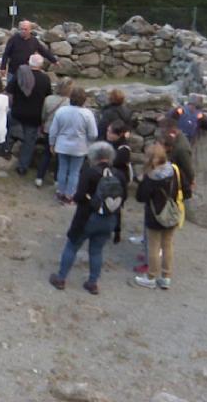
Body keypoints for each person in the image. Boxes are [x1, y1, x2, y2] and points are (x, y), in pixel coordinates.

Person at [49, 141, 126, 295]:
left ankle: (61, 278)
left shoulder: (90, 172)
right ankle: (92, 283)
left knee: (72, 246)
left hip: (87, 217)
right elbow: (124, 198)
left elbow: (78, 196)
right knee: (96, 251)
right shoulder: (119, 174)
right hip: (109, 219)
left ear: (93, 156)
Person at [133, 144, 183, 290]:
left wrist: (142, 180)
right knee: (167, 245)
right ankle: (166, 277)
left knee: (153, 247)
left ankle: (151, 277)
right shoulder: (173, 170)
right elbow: (183, 189)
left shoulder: (151, 177)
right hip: (171, 212)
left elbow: (140, 197)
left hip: (155, 215)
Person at [49, 87, 98, 205]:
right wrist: (88, 141)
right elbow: (93, 134)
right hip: (79, 147)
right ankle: (69, 195)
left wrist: (52, 143)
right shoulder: (87, 114)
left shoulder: (61, 111)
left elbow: (53, 130)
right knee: (74, 172)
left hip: (62, 145)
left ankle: (60, 192)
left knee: (62, 169)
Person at [8, 54, 53, 175]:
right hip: (35, 115)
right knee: (29, 142)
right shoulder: (45, 79)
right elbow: (48, 97)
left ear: (29, 63)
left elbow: (9, 91)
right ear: (41, 65)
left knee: (10, 131)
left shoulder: (20, 75)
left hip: (18, 112)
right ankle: (22, 167)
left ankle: (5, 151)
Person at [37, 78, 73, 188]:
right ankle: (57, 179)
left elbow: (43, 115)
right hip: (63, 132)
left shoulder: (48, 99)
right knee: (60, 156)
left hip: (49, 129)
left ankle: (39, 177)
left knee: (46, 154)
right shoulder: (69, 102)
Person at [0, 20, 59, 85]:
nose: (23, 31)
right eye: (21, 29)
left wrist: (54, 60)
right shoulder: (13, 39)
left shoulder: (34, 41)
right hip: (13, 71)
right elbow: (6, 54)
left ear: (30, 30)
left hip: (27, 72)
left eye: (25, 29)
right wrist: (3, 67)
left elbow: (43, 51)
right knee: (11, 91)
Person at [106, 119, 134, 184]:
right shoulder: (110, 143)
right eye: (107, 131)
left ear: (120, 134)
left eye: (110, 132)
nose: (107, 134)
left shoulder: (124, 149)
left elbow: (113, 163)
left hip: (119, 179)